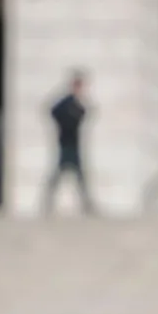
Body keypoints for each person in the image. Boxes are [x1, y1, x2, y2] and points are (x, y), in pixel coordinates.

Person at [42, 70, 95, 215]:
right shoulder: (67, 103)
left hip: (73, 144)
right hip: (66, 144)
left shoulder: (77, 104)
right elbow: (54, 112)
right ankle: (47, 203)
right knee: (59, 175)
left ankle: (87, 205)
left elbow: (83, 114)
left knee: (79, 177)